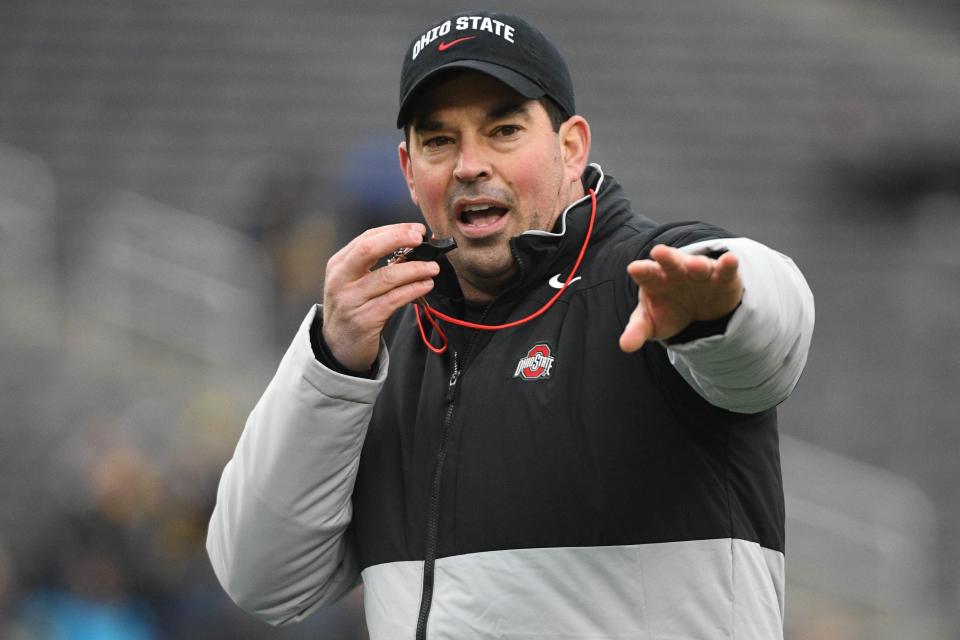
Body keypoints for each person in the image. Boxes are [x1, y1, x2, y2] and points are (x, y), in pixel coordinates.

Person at [206, 10, 814, 640]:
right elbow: (264, 580)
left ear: (571, 147)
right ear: (409, 169)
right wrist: (330, 364)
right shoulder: (376, 345)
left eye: (502, 130)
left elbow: (771, 333)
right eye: (439, 141)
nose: (469, 163)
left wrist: (718, 310)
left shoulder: (648, 281)